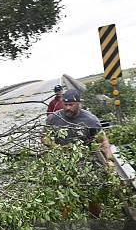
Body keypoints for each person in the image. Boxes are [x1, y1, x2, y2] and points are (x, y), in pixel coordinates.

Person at [45, 89, 114, 217]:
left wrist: (109, 160)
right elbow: (44, 137)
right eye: (65, 105)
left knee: (93, 195)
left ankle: (95, 220)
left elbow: (103, 141)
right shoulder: (54, 119)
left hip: (88, 164)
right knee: (64, 196)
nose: (68, 108)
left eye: (71, 104)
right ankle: (66, 223)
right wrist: (56, 148)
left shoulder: (90, 120)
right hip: (64, 163)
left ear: (78, 103)